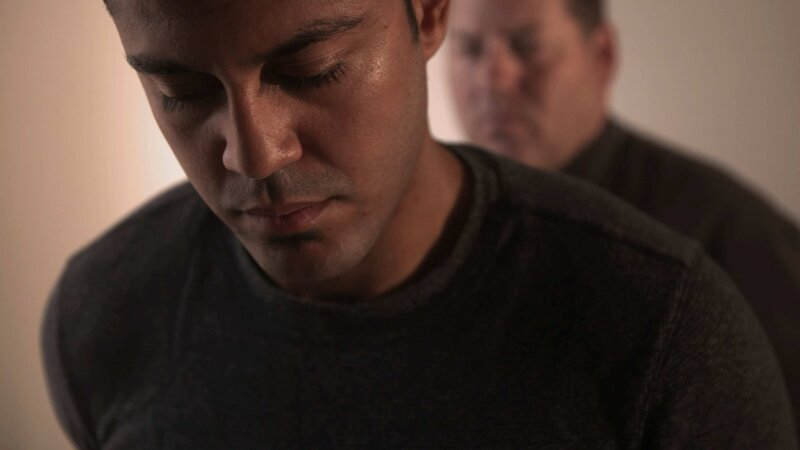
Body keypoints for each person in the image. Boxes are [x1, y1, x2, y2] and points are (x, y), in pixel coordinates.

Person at [43, 0, 796, 448]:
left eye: (312, 69)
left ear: (429, 11)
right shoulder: (103, 314)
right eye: (181, 91)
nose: (255, 154)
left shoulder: (662, 331)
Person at [448, 0, 800, 432]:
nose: (492, 79)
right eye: (468, 48)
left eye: (527, 46)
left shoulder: (724, 229)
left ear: (603, 55)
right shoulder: (438, 229)